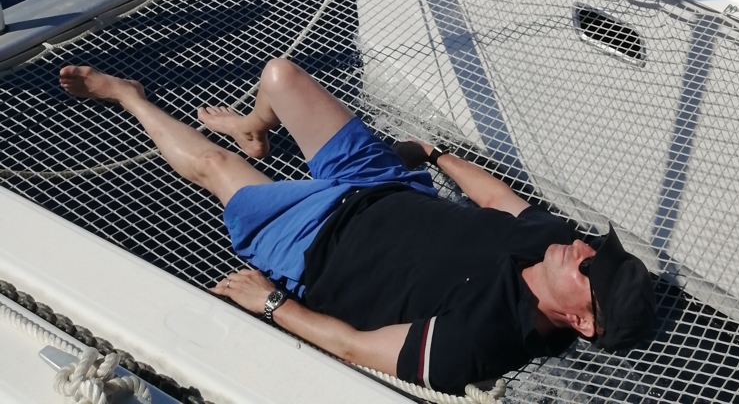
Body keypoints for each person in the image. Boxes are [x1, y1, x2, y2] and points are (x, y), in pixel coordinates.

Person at [57, 58, 655, 394]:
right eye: (592, 248)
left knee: (217, 167)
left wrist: (272, 307)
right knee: (280, 78)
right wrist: (434, 156)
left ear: (580, 320)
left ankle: (127, 95)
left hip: (313, 244)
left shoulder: (478, 344)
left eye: (589, 267)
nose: (580, 247)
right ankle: (252, 123)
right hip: (388, 186)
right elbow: (497, 197)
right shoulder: (548, 245)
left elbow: (353, 346)